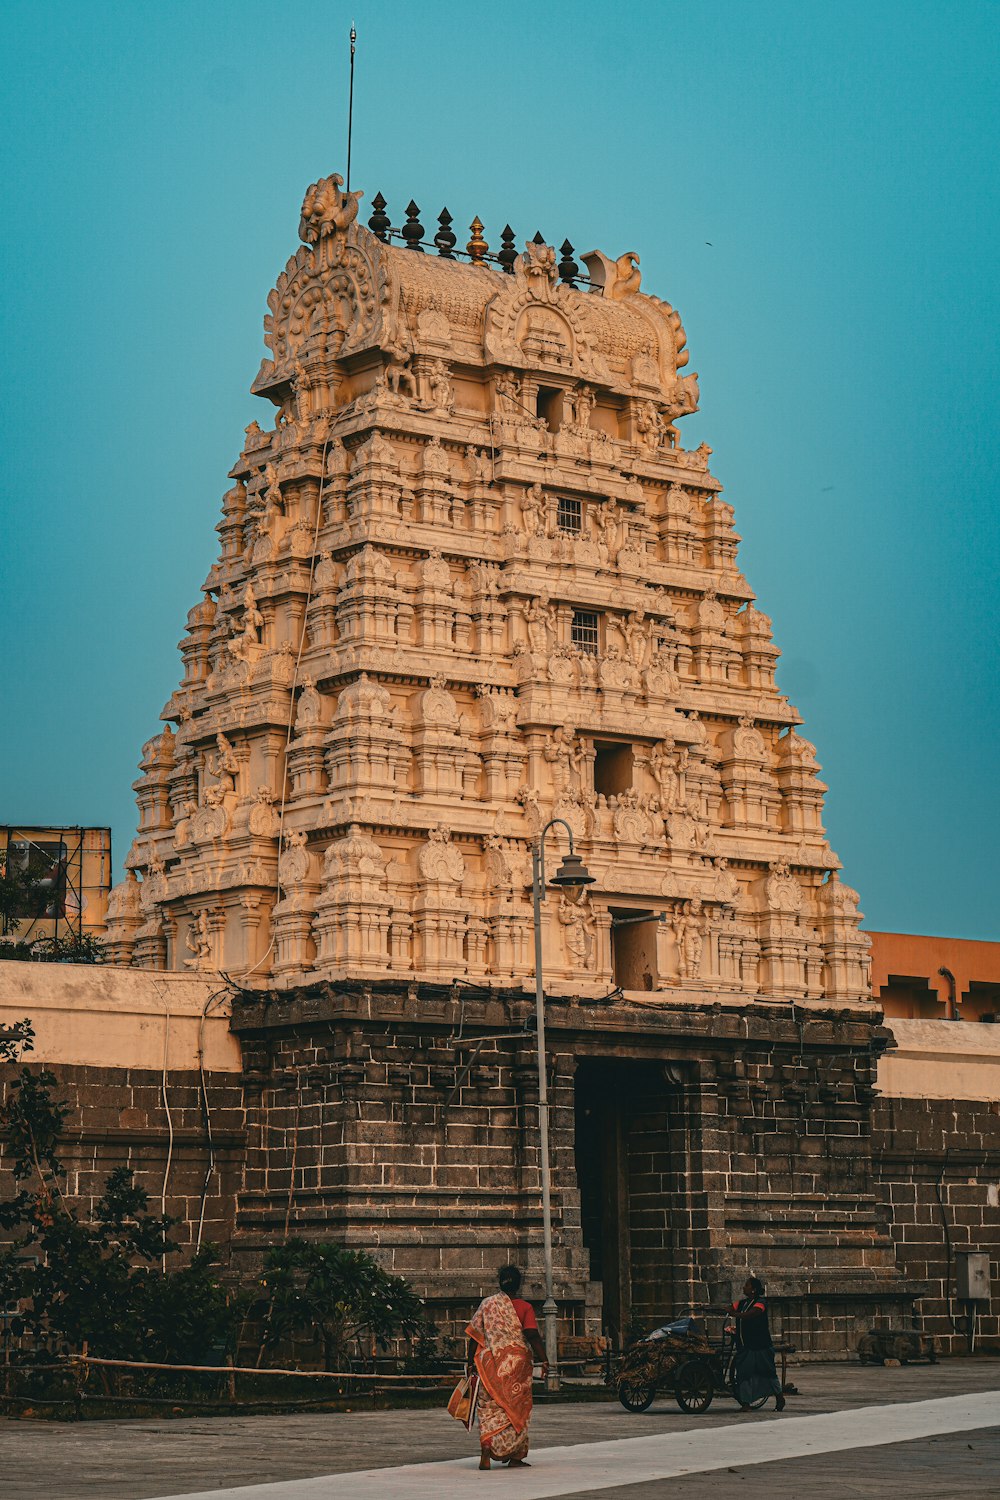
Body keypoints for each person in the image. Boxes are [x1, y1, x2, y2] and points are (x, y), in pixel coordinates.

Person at [466, 1265, 547, 1470]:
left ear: (499, 1282)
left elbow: (474, 1336)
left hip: (489, 1366)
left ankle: (486, 1447)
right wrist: (544, 1358)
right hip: (516, 1369)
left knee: (489, 1410)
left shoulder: (487, 1304)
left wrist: (469, 1363)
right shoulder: (524, 1308)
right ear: (519, 1285)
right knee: (517, 1410)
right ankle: (516, 1456)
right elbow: (531, 1334)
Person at [730, 1275, 785, 1411]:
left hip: (761, 1346)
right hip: (745, 1346)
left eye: (747, 1285)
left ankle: (779, 1397)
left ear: (753, 1289)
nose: (744, 1287)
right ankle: (746, 1403)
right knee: (744, 1374)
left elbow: (752, 1314)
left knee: (768, 1372)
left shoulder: (761, 1303)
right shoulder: (742, 1303)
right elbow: (729, 1308)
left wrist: (735, 1315)